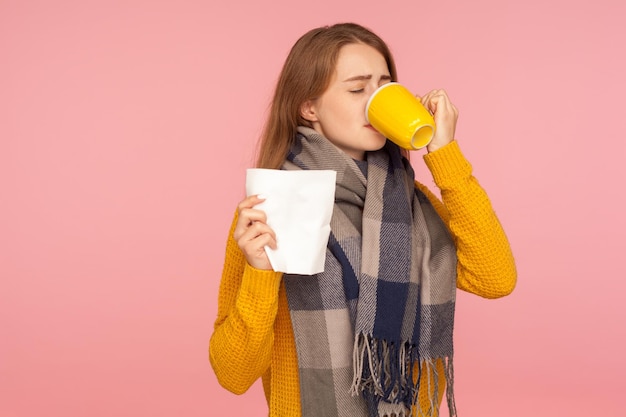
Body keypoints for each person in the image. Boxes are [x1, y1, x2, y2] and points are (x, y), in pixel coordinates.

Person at [209, 22, 516, 417]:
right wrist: (260, 272)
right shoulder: (273, 208)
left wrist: (445, 155)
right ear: (309, 107)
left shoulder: (412, 205)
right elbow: (233, 374)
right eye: (357, 89)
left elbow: (496, 278)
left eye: (385, 86)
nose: (375, 101)